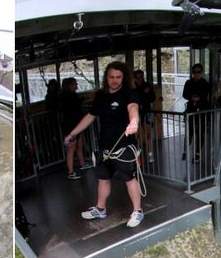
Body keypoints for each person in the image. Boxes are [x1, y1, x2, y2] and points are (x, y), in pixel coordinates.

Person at [63, 61, 144, 228]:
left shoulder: (129, 93)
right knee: (103, 178)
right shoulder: (101, 96)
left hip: (124, 146)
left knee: (129, 178)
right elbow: (90, 116)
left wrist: (134, 122)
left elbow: (133, 108)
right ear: (106, 77)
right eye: (111, 77)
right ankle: (100, 209)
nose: (115, 80)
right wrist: (73, 133)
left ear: (124, 78)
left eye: (118, 77)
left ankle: (138, 211)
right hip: (105, 147)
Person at [60, 77, 87, 179]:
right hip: (71, 125)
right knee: (71, 149)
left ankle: (82, 163)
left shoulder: (68, 96)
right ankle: (71, 171)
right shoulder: (69, 97)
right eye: (75, 84)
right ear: (70, 85)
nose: (76, 85)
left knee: (80, 145)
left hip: (76, 124)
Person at [133, 69, 155, 161]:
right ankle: (138, 155)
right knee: (137, 135)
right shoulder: (132, 87)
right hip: (136, 113)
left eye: (141, 76)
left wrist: (144, 97)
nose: (139, 78)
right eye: (137, 77)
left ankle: (150, 154)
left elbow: (153, 97)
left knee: (148, 133)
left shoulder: (147, 85)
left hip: (146, 112)